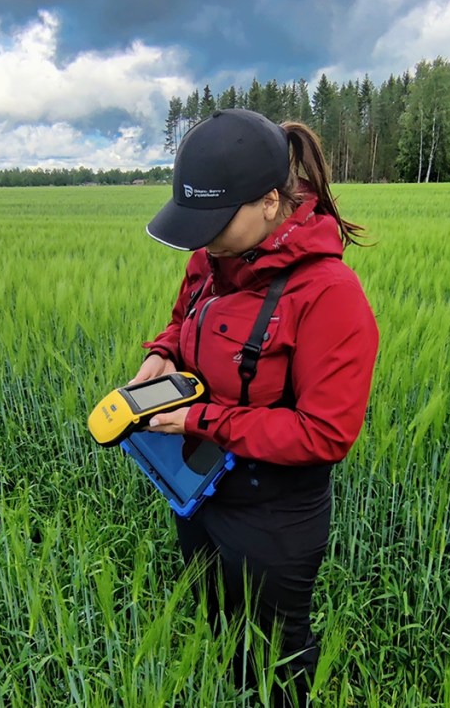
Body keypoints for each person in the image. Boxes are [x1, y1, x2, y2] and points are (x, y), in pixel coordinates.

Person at [132, 108, 378, 707]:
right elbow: (183, 318)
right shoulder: (212, 259)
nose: (201, 237)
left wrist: (200, 419)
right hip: (198, 486)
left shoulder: (329, 296)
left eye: (214, 220)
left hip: (274, 515)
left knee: (279, 655)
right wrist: (164, 354)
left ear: (271, 202)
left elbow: (325, 434)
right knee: (220, 626)